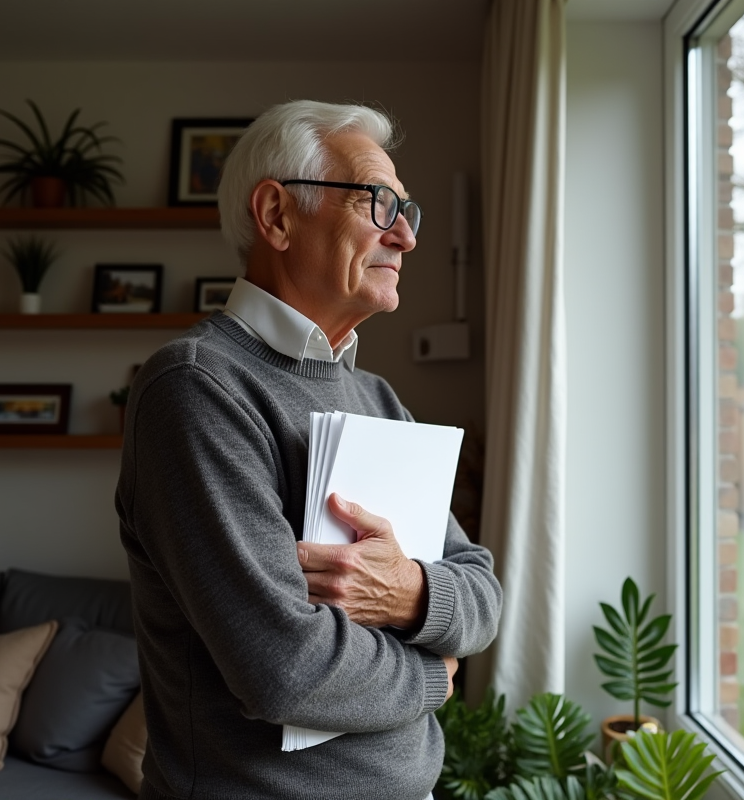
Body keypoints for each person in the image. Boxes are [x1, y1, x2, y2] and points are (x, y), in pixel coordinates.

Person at [115, 100, 502, 800]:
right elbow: (284, 669)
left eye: (407, 212)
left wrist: (412, 593)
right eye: (379, 203)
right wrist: (432, 673)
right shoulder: (196, 388)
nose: (404, 238)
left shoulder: (379, 397)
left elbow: (481, 587)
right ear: (277, 216)